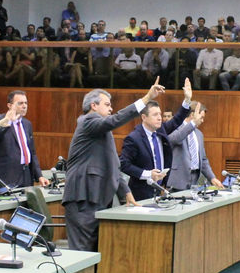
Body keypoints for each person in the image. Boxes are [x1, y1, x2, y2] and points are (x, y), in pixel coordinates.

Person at [62, 80, 165, 252]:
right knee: (82, 252)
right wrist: (147, 98)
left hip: (96, 197)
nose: (111, 109)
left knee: (96, 251)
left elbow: (114, 163)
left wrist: (126, 192)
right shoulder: (88, 121)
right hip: (83, 196)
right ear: (93, 105)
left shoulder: (102, 130)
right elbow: (116, 119)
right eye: (107, 105)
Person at [119, 78, 194, 201]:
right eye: (155, 115)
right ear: (144, 117)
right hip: (140, 193)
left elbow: (176, 120)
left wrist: (187, 100)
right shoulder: (133, 138)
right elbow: (124, 164)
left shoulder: (161, 130)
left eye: (160, 114)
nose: (160, 118)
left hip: (159, 189)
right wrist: (147, 174)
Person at [0, 90, 50, 189]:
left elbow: (32, 152)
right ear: (9, 105)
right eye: (20, 103)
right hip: (7, 176)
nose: (24, 106)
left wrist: (39, 176)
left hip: (26, 176)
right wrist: (8, 122)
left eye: (26, 103)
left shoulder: (27, 124)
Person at [166, 101, 224, 191]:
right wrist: (192, 123)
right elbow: (176, 138)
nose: (202, 121)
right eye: (201, 117)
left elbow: (203, 160)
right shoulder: (175, 128)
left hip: (194, 180)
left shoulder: (199, 134)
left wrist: (212, 178)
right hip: (178, 181)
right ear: (192, 115)